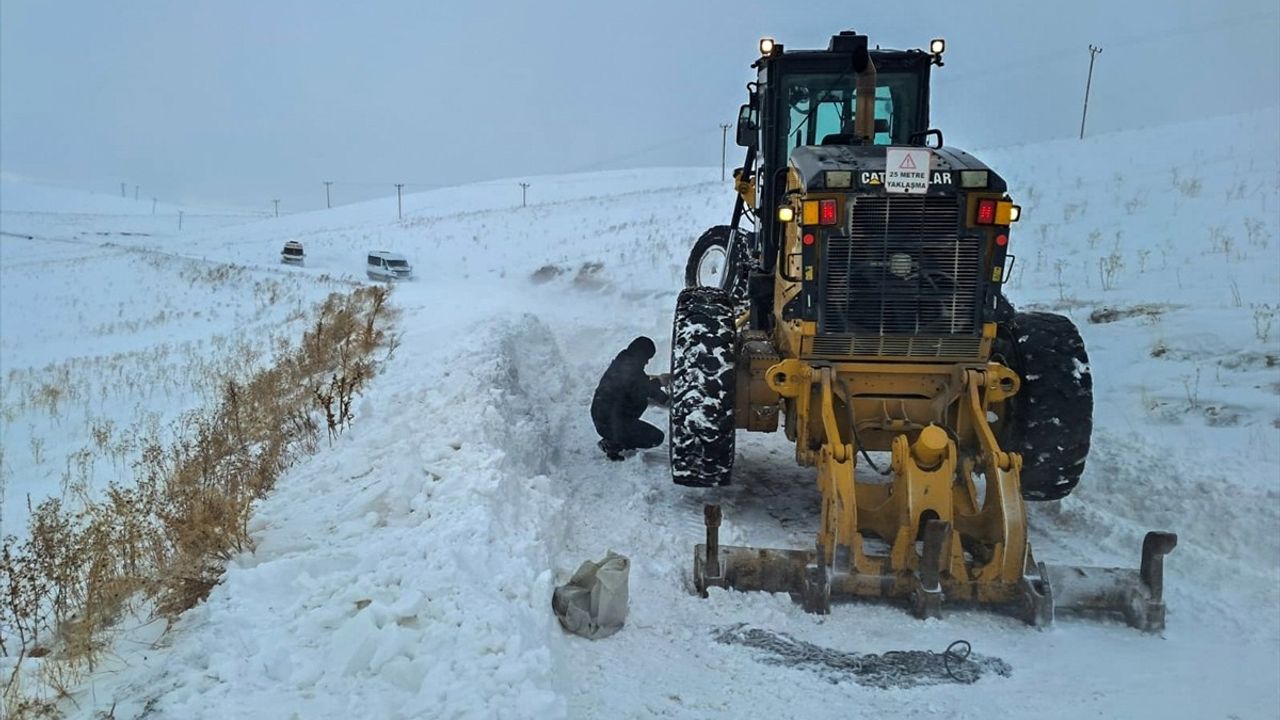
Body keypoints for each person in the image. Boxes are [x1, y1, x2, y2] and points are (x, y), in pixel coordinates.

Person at [591, 336, 669, 461]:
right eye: (647, 358)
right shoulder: (630, 369)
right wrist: (666, 397)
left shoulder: (623, 363)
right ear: (641, 354)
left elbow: (641, 384)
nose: (647, 362)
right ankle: (614, 443)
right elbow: (643, 389)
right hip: (611, 422)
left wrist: (657, 385)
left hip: (603, 419)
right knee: (656, 437)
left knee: (638, 401)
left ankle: (614, 439)